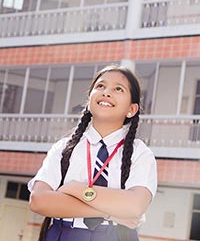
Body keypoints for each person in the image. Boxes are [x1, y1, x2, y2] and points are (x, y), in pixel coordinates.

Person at [28, 64, 157, 241]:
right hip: (64, 234)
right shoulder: (64, 148)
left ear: (131, 109)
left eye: (118, 89)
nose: (106, 92)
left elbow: (134, 207)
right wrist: (112, 213)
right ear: (89, 100)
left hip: (116, 236)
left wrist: (74, 189)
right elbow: (39, 201)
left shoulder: (140, 153)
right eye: (100, 86)